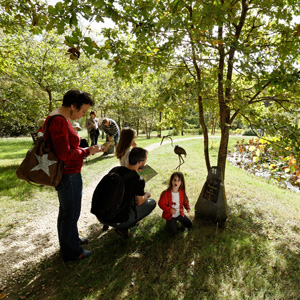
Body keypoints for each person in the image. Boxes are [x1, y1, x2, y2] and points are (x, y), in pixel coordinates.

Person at [44, 89, 102, 261]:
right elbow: (64, 155)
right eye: (83, 111)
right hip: (68, 174)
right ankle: (71, 252)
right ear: (72, 106)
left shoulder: (58, 117)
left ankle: (70, 241)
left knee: (67, 211)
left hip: (68, 173)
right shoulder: (59, 121)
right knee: (71, 212)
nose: (84, 115)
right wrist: (87, 151)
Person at [95, 147, 156, 238]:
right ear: (140, 163)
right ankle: (123, 226)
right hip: (117, 220)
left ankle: (112, 224)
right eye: (144, 161)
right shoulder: (138, 180)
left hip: (101, 215)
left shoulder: (115, 170)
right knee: (152, 202)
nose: (145, 163)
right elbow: (140, 202)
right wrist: (147, 194)